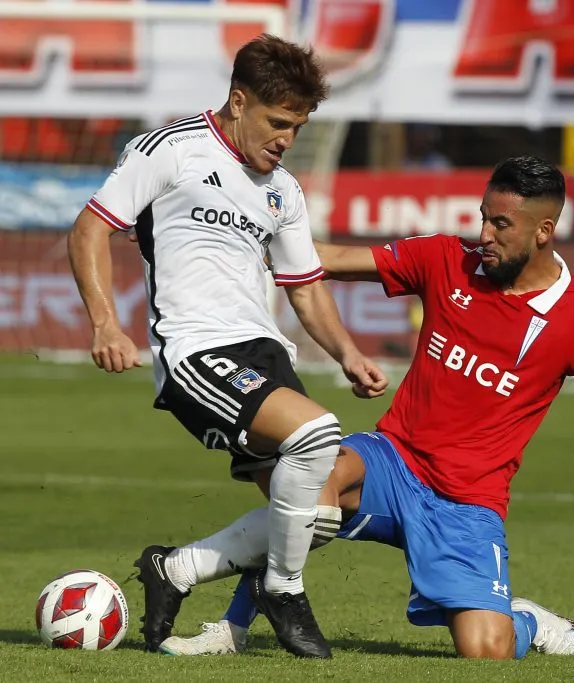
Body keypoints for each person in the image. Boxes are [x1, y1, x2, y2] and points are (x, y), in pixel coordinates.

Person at [137, 155, 574, 660]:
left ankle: (529, 625)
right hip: (394, 461)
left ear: (544, 231)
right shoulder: (446, 259)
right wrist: (239, 236)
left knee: (483, 650)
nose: (483, 235)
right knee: (309, 476)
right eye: (483, 218)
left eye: (500, 226)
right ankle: (231, 628)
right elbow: (328, 258)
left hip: (469, 503)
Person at [67, 34, 388, 659]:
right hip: (196, 352)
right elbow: (90, 229)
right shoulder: (172, 149)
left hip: (267, 356)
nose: (286, 139)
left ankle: (176, 571)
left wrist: (347, 352)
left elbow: (305, 287)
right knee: (317, 435)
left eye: (297, 126)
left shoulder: (283, 191)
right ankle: (284, 592)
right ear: (238, 102)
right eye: (277, 122)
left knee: (316, 515)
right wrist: (105, 323)